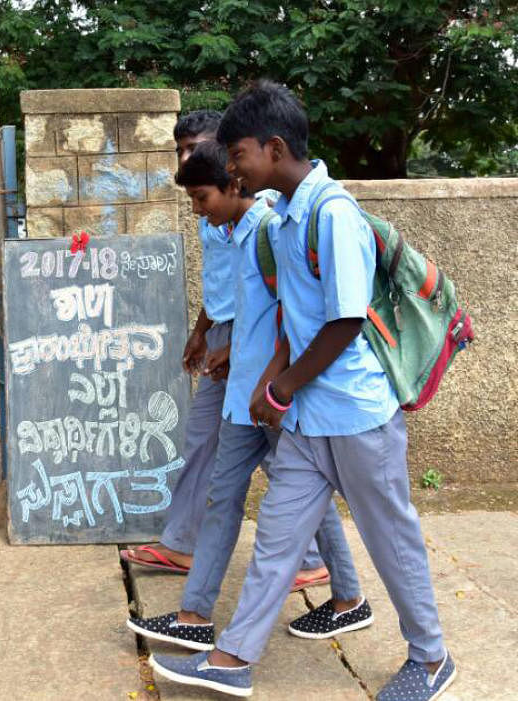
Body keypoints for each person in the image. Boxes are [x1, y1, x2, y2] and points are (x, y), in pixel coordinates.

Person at [151, 82, 454, 701]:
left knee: (390, 538)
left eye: (236, 155)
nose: (231, 168)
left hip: (357, 416)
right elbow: (296, 317)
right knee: (277, 539)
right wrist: (274, 384)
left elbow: (345, 319)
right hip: (308, 420)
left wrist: (281, 387)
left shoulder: (331, 213)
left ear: (275, 147)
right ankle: (233, 657)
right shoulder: (286, 219)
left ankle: (429, 659)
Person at [130, 141, 366, 658]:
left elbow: (295, 312)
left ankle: (348, 597)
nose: (198, 210)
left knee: (304, 493)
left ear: (234, 185)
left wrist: (263, 373)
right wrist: (226, 348)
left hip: (271, 398)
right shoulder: (236, 232)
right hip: (242, 397)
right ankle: (194, 615)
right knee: (223, 497)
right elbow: (241, 307)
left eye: (202, 198)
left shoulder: (268, 231)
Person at [122, 110, 337, 587]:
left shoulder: (263, 222)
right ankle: (189, 563)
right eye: (181, 149)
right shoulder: (218, 217)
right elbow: (224, 285)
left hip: (258, 353)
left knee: (289, 460)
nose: (188, 158)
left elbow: (284, 304)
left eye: (197, 149)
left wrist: (250, 358)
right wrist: (204, 331)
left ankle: (318, 568)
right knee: (217, 452)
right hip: (231, 344)